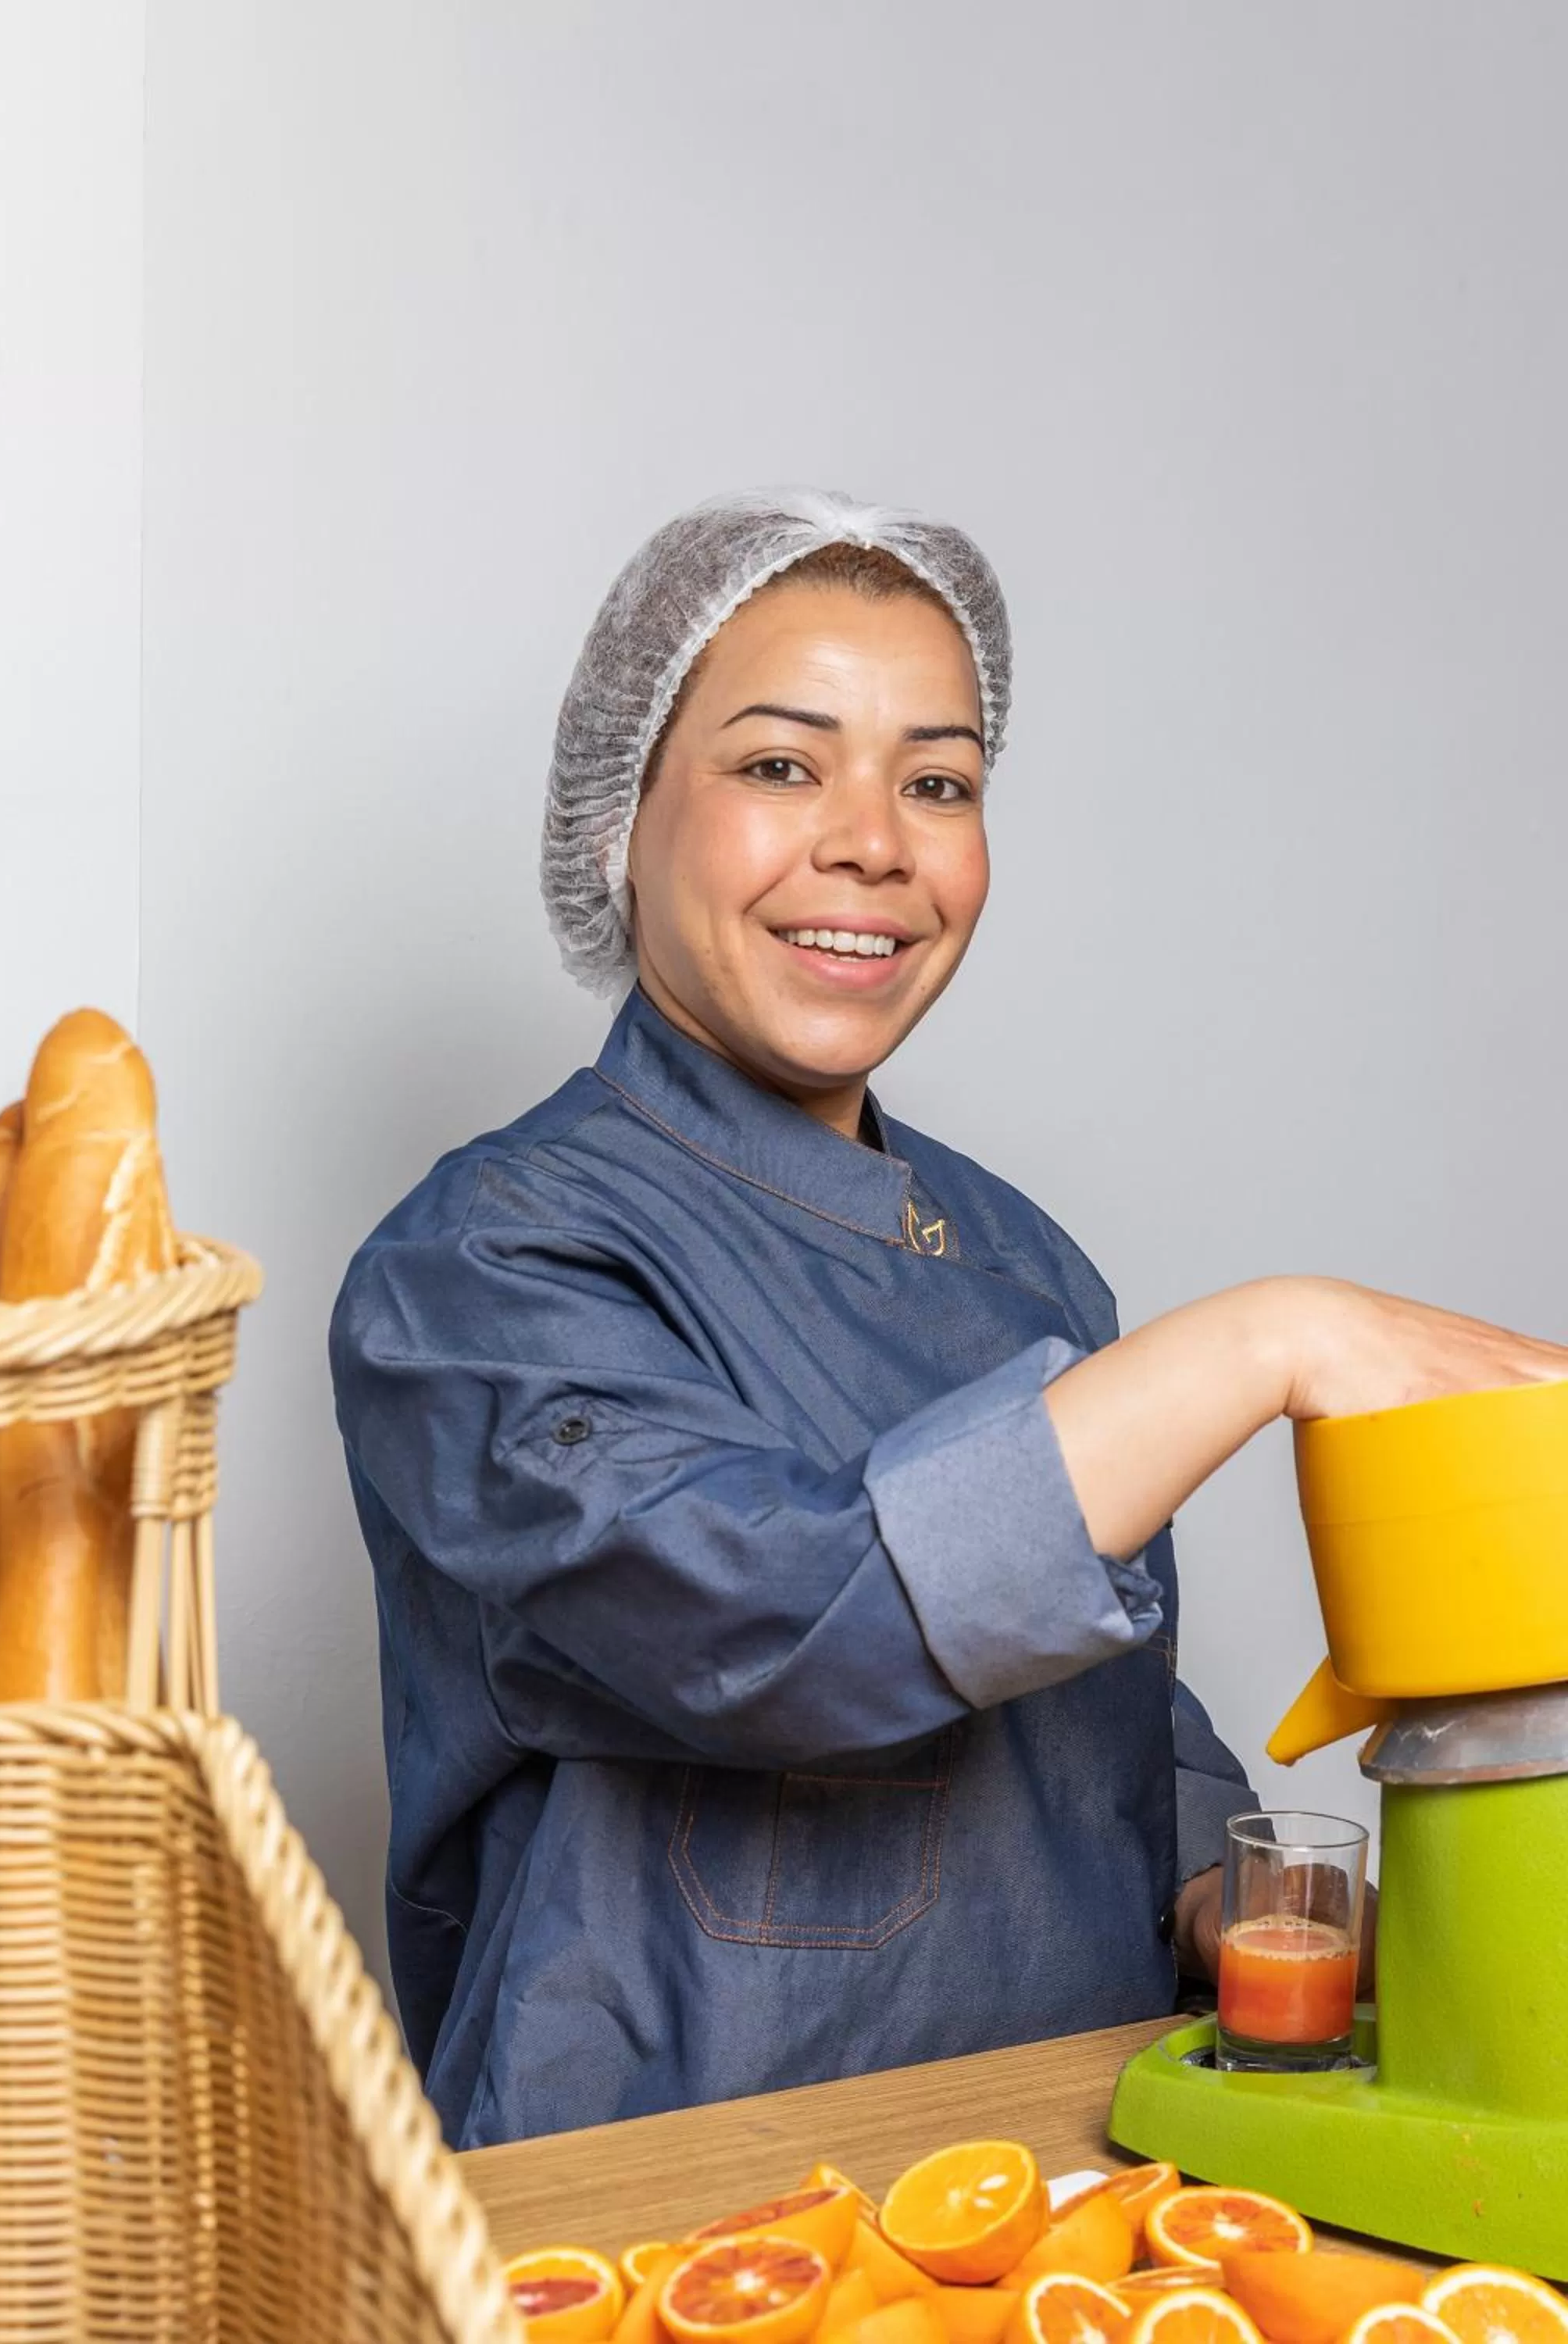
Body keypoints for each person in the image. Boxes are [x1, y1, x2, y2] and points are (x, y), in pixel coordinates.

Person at [330, 488, 1568, 2148]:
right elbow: (781, 1622)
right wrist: (1262, 1339)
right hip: (673, 2194)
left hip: (1079, 2154)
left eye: (938, 780)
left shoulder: (1018, 1260)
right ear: (620, 819)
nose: (875, 841)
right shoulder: (480, 1267)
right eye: (781, 764)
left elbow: (1102, 1707)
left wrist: (1226, 1890)